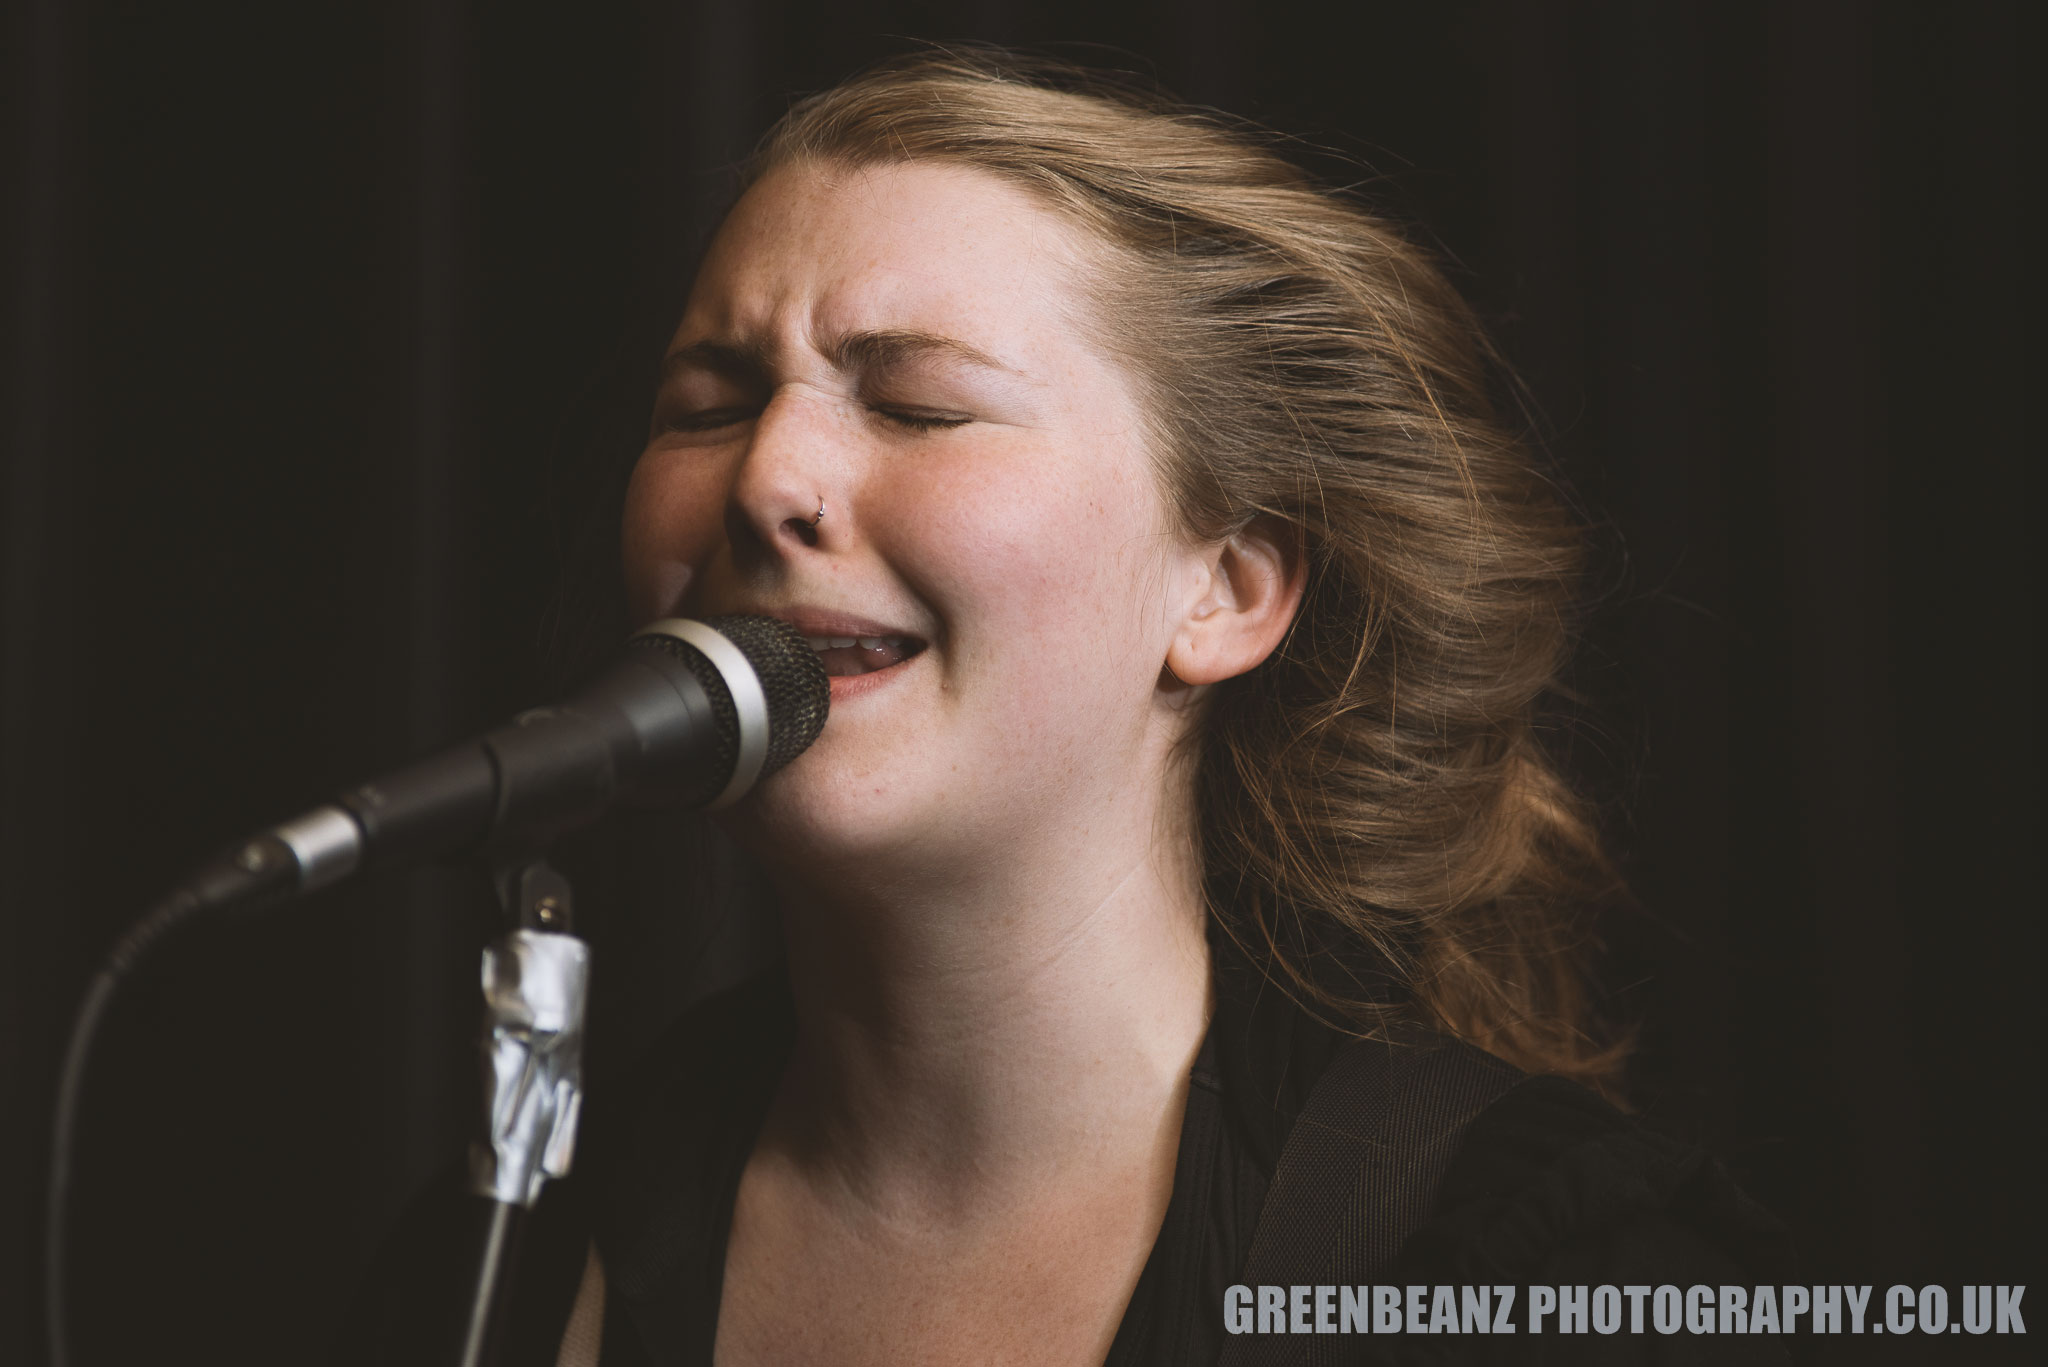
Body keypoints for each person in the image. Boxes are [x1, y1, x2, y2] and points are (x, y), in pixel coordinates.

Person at [341, 46, 1791, 1367]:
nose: (767, 478)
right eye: (711, 400)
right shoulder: (501, 1269)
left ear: (1224, 590)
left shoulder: (1554, 1287)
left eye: (919, 404)